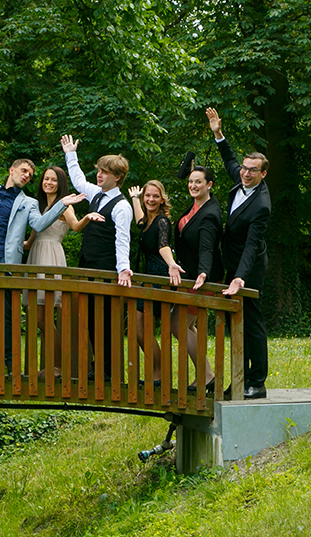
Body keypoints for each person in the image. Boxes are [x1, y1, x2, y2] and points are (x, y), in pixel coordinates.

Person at [0, 157, 78, 371]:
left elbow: (40, 223)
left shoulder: (28, 203)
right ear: (11, 169)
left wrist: (62, 204)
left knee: (5, 316)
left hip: (4, 263)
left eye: (30, 175)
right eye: (24, 170)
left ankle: (7, 365)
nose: (26, 176)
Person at [206, 108, 271, 399]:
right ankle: (239, 378)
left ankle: (257, 381)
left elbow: (252, 245)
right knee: (236, 323)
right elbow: (229, 159)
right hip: (233, 264)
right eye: (244, 168)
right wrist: (218, 133)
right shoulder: (240, 179)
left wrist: (240, 277)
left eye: (252, 170)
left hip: (250, 267)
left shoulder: (262, 206)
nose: (245, 172)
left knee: (251, 322)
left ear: (263, 173)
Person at [62, 134, 134, 380]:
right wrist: (71, 154)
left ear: (118, 177)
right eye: (99, 171)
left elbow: (123, 239)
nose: (99, 175)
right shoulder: (96, 195)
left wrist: (123, 269)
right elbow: (78, 179)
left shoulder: (122, 206)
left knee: (106, 321)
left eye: (105, 172)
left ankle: (109, 371)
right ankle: (101, 368)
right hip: (88, 267)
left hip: (105, 270)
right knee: (92, 319)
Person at [22, 166, 94, 376]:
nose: (49, 183)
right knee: (36, 316)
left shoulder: (65, 205)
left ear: (60, 183)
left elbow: (76, 226)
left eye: (53, 180)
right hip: (35, 255)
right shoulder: (39, 206)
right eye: (46, 179)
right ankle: (53, 366)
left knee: (45, 317)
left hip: (51, 256)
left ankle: (57, 365)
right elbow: (30, 242)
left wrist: (88, 216)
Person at [128, 180, 184, 383]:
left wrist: (171, 264)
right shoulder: (148, 220)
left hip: (160, 277)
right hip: (148, 278)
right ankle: (159, 370)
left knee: (142, 326)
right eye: (147, 196)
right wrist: (135, 199)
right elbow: (139, 222)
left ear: (162, 199)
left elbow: (163, 245)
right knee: (137, 327)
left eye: (155, 196)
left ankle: (160, 373)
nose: (151, 199)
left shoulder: (161, 221)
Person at [173, 165, 223, 390]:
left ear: (209, 185)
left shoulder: (210, 213)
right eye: (191, 181)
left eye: (198, 182)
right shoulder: (195, 206)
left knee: (179, 324)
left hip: (202, 278)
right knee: (181, 324)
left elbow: (207, 247)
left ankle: (207, 375)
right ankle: (206, 374)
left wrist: (203, 272)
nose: (193, 186)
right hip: (190, 276)